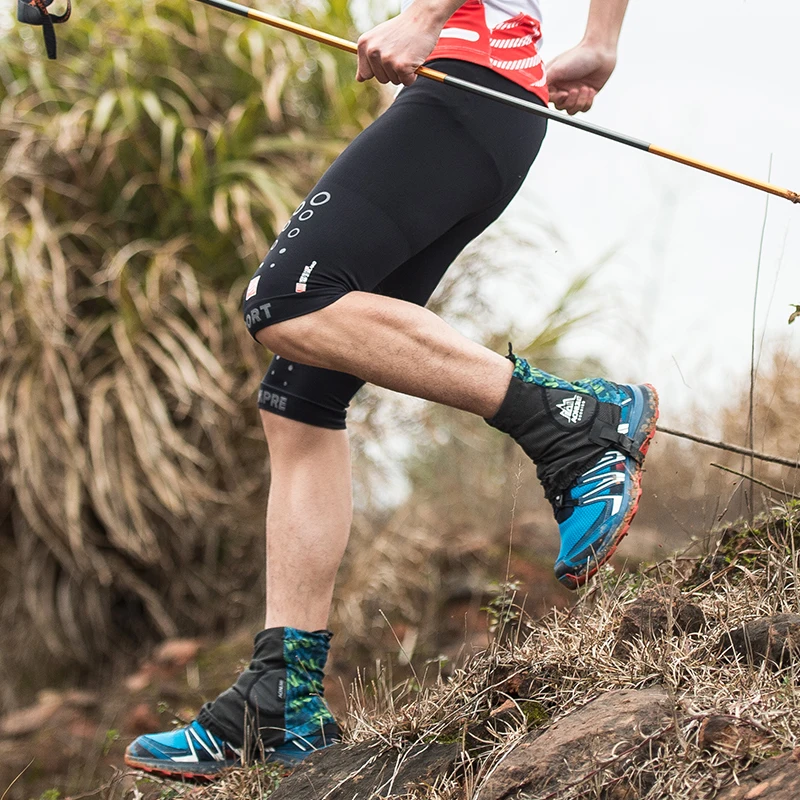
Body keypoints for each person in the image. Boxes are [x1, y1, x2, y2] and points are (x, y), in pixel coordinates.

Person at [125, 0, 657, 779]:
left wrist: (423, 16)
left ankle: (575, 424)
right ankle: (284, 696)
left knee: (288, 298)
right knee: (298, 403)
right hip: (481, 95)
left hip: (467, 82)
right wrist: (600, 44)